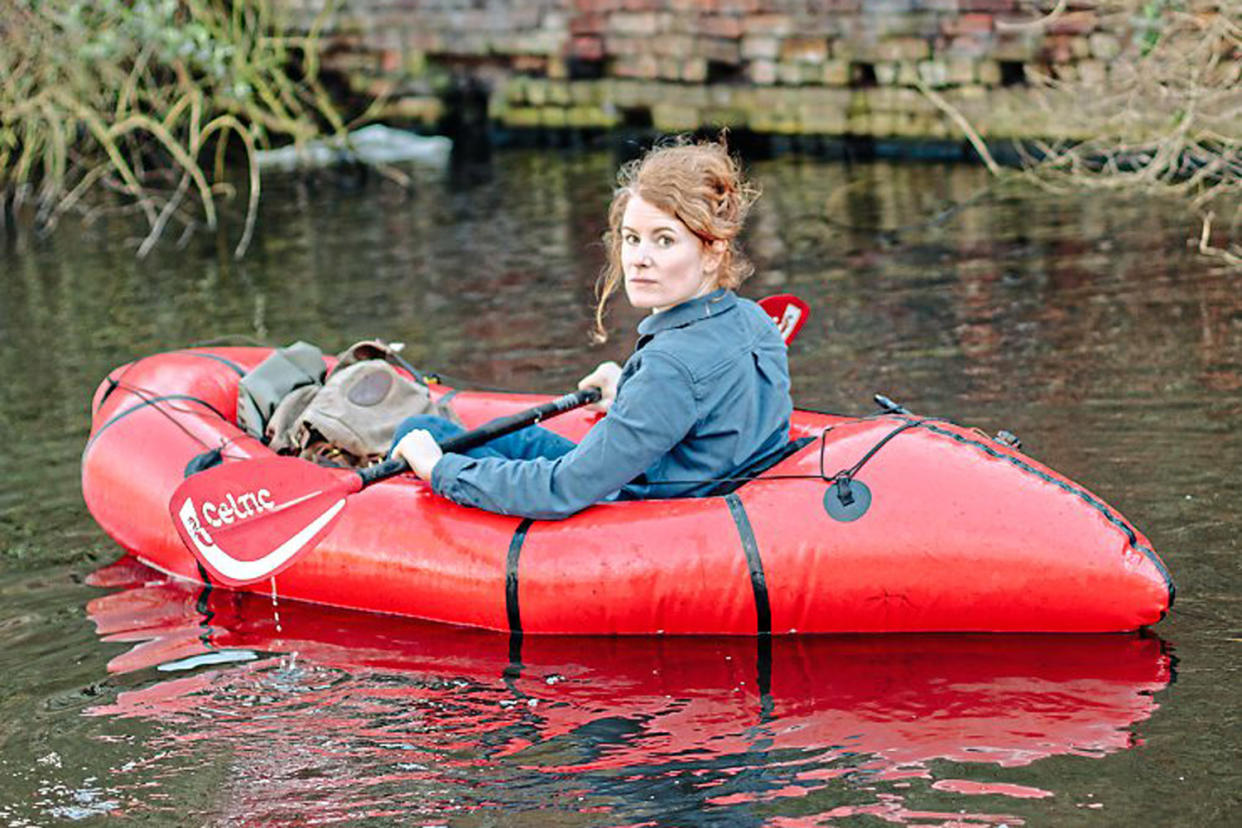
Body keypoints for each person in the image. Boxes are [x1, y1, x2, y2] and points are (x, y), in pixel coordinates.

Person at [391, 138, 792, 519]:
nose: (639, 259)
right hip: (693, 495)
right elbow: (707, 419)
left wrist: (438, 469)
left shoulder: (669, 367)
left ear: (711, 252)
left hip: (635, 518)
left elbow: (561, 489)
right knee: (429, 430)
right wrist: (628, 393)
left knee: (420, 430)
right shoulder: (755, 320)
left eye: (664, 241)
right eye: (632, 239)